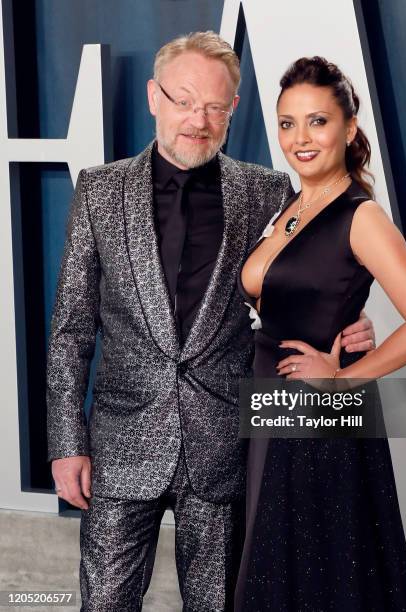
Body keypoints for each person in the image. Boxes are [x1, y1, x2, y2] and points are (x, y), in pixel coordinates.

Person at [46, 34, 374, 612]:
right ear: (154, 97)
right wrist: (66, 444)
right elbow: (72, 329)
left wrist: (349, 322)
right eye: (183, 101)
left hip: (223, 442)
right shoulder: (99, 190)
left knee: (220, 605)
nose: (198, 120)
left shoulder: (266, 190)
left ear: (234, 109)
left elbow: (298, 280)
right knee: (105, 603)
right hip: (121, 443)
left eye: (215, 107)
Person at [236, 57, 406, 611]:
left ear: (349, 127)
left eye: (317, 121)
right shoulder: (292, 207)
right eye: (287, 123)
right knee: (274, 571)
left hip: (316, 417)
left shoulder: (361, 215)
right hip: (269, 404)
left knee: (318, 580)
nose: (300, 138)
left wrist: (342, 378)